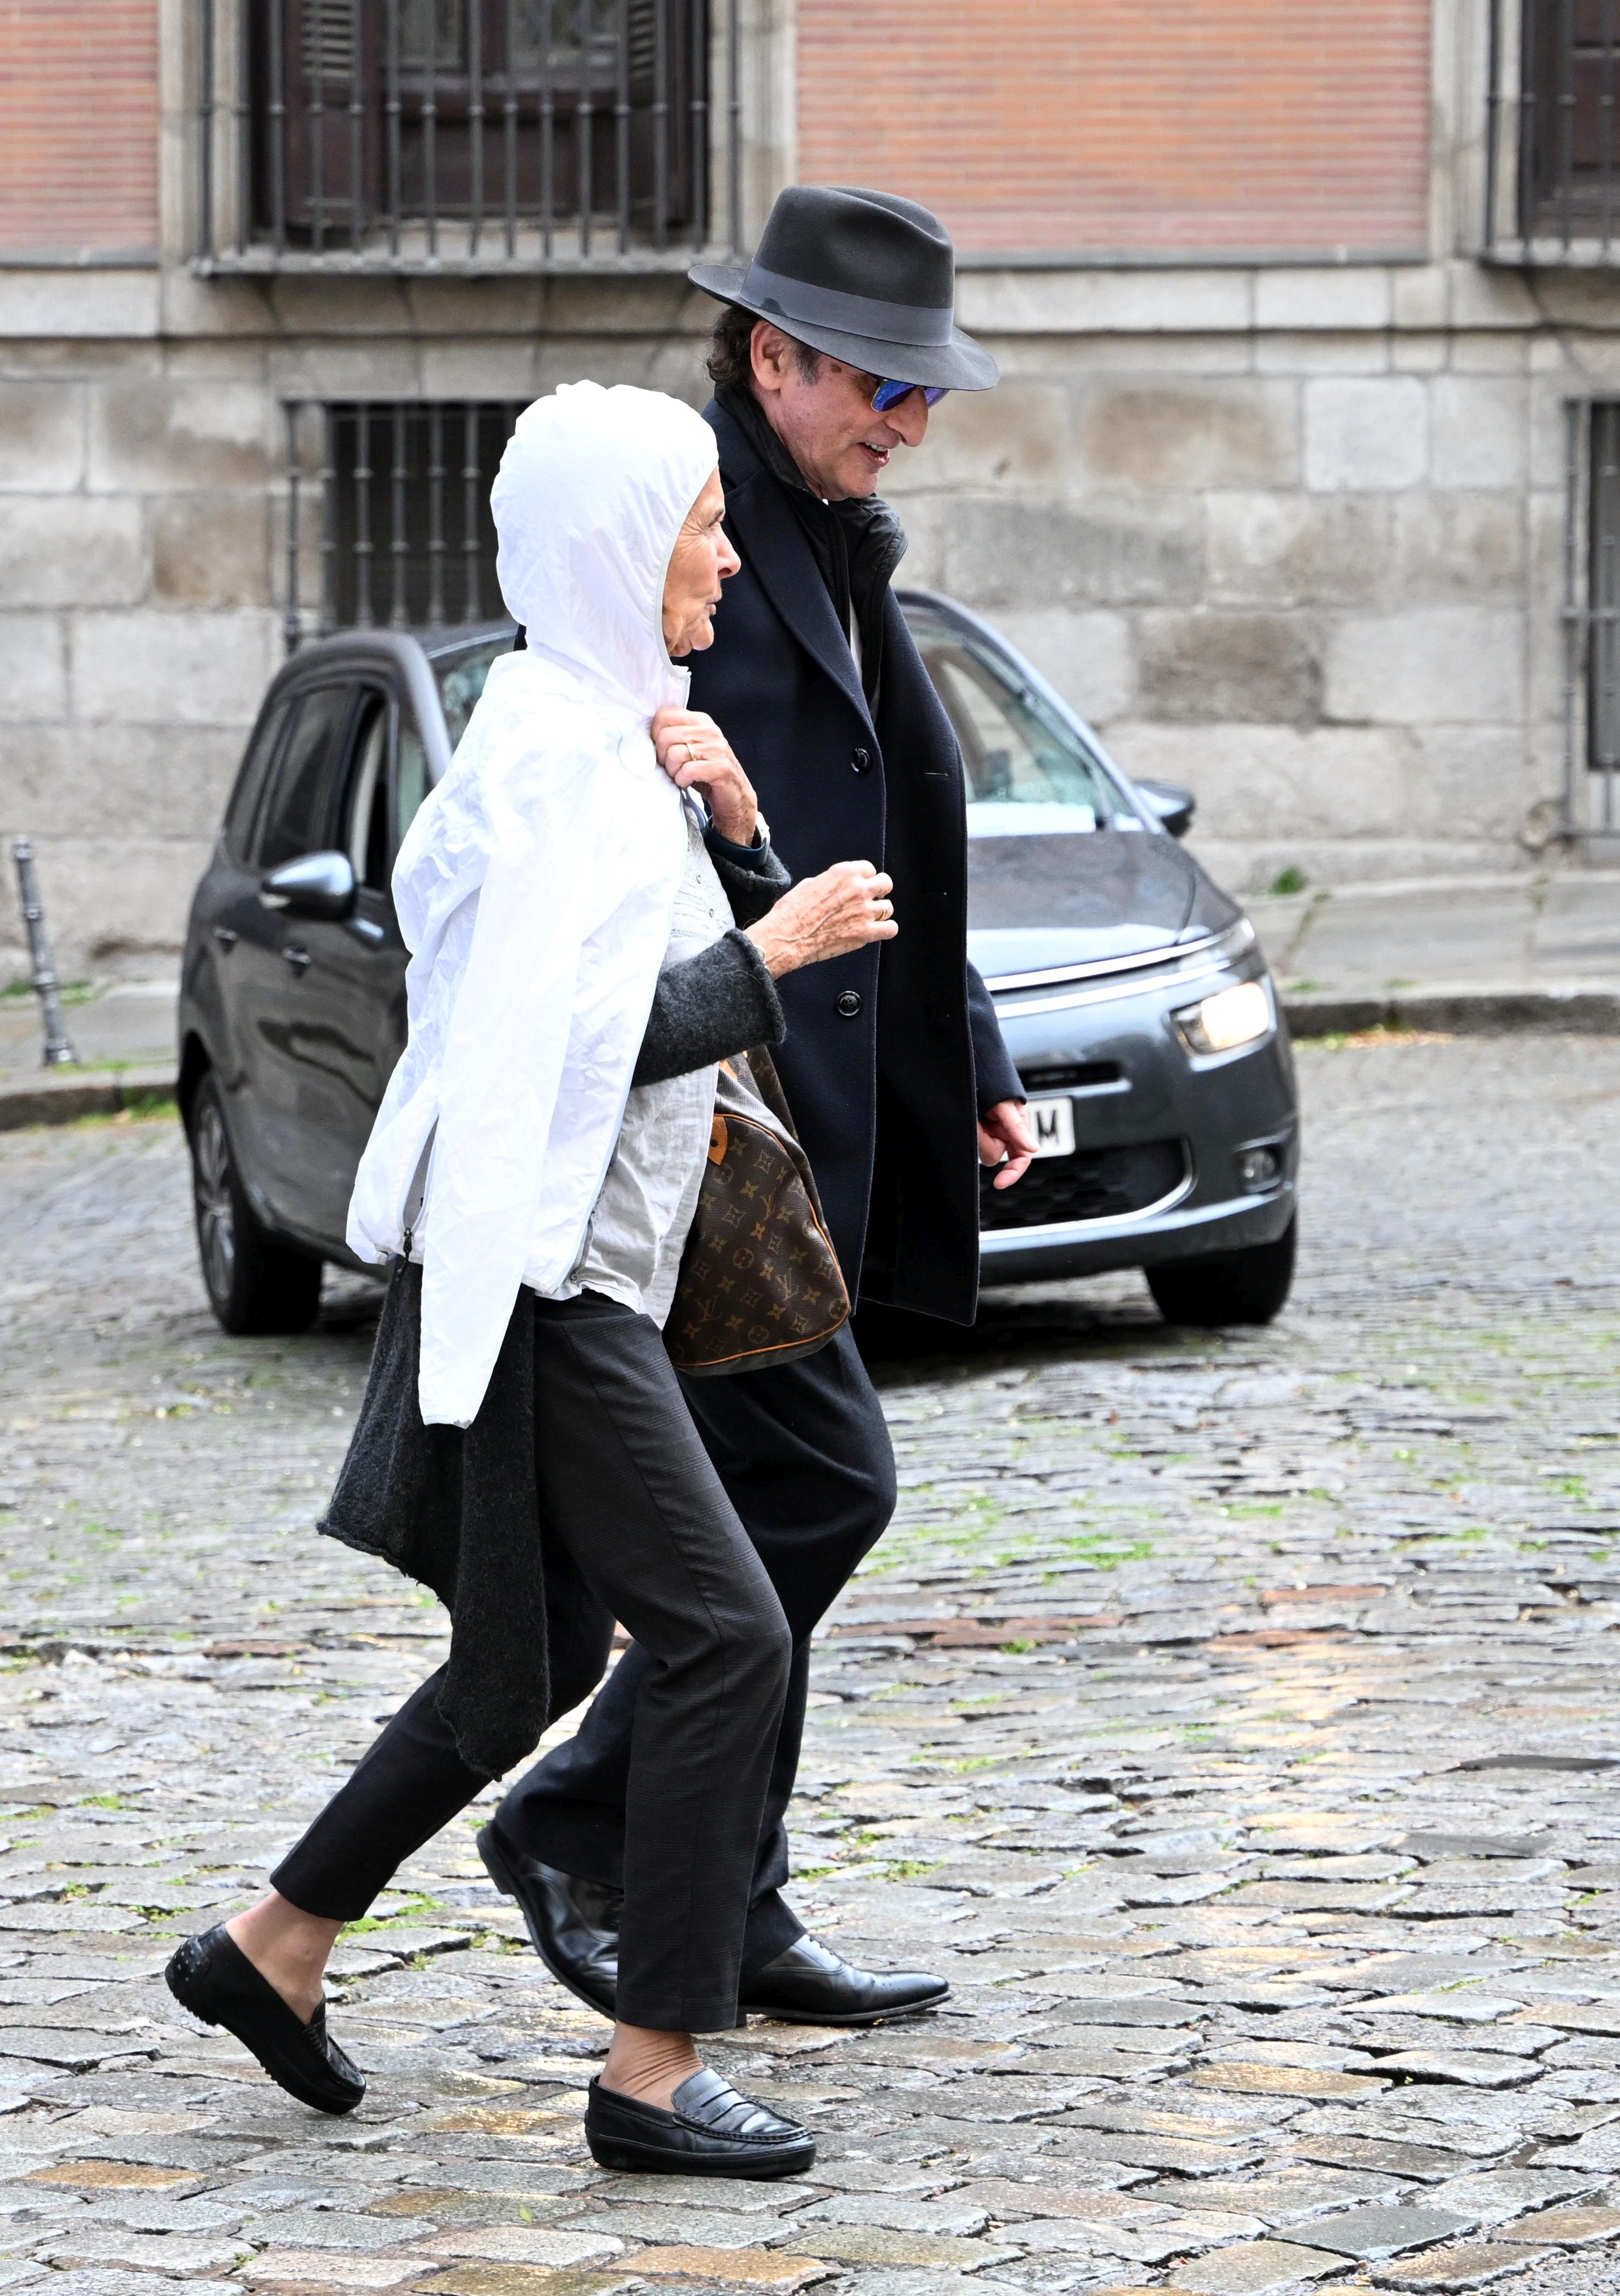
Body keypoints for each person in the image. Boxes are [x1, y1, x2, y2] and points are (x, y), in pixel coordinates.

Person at [164, 381, 900, 2178]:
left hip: (565, 1269)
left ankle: (271, 1948)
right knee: (721, 1632)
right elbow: (550, 1052)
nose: (727, 557)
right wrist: (773, 946)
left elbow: (631, 997)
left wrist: (737, 843)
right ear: (608, 546)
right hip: (544, 1279)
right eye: (701, 526)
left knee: (529, 1667)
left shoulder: (606, 731)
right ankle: (654, 2067)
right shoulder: (548, 756)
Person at [483, 187, 1038, 2026]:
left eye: (926, 393)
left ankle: (732, 1907)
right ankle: (578, 1819)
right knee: (812, 1495)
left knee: (766, 1525)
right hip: (714, 1118)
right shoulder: (683, 517)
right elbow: (611, 792)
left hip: (815, 1106)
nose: (909, 420)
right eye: (884, 382)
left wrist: (971, 1056)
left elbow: (879, 831)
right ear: (772, 356)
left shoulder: (830, 526)